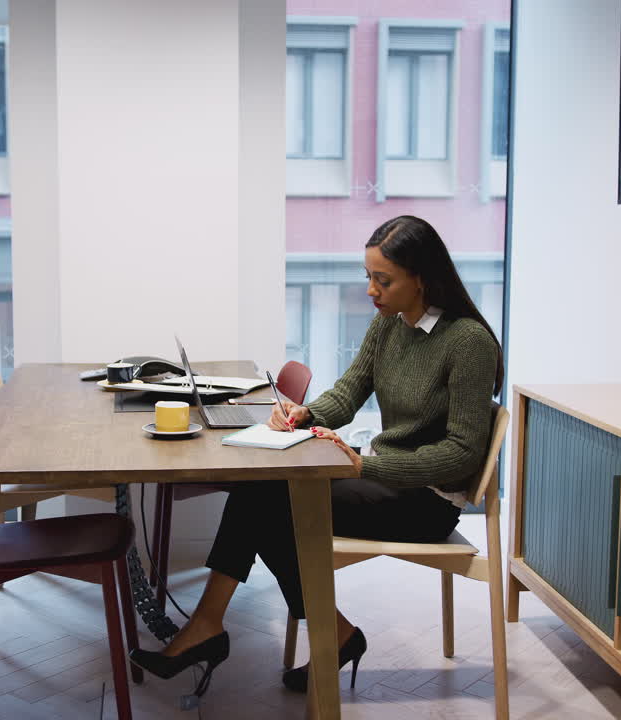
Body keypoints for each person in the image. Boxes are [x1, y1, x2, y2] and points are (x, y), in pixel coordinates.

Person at [130, 215, 503, 696]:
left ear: (422, 277)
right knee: (261, 491)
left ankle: (231, 630)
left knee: (270, 505)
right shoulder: (389, 324)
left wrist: (369, 464)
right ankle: (291, 632)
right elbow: (350, 390)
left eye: (382, 280)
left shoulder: (468, 342)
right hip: (382, 479)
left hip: (423, 501)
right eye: (368, 277)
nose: (371, 290)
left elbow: (462, 454)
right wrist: (305, 414)